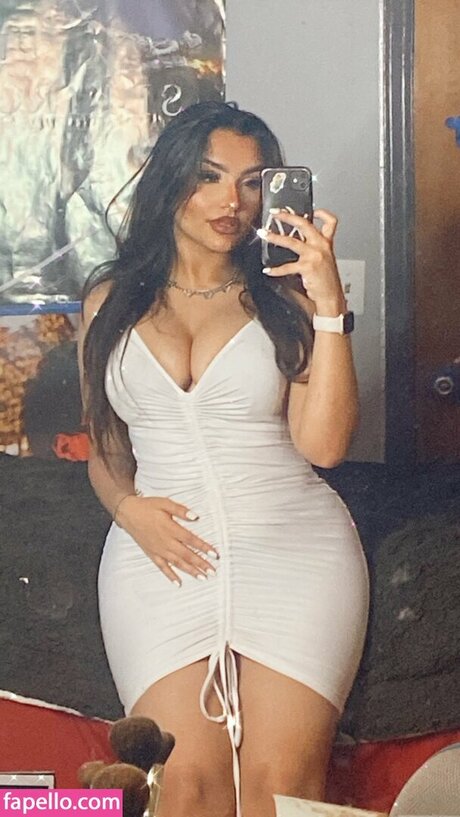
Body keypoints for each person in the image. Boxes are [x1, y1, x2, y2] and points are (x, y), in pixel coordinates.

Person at [78, 100, 369, 817]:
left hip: (294, 550)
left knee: (282, 786)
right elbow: (104, 448)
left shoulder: (287, 300)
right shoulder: (109, 300)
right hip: (160, 558)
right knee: (183, 788)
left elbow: (326, 446)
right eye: (208, 177)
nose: (230, 201)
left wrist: (329, 304)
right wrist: (129, 511)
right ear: (170, 178)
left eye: (250, 182)